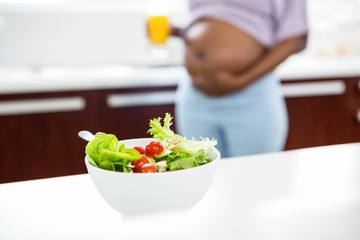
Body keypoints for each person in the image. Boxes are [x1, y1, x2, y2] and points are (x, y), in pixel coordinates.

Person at [171, 0, 308, 158]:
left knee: (253, 177)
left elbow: (296, 38)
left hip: (251, 97)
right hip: (195, 96)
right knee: (199, 176)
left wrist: (240, 81)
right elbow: (212, 17)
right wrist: (177, 31)